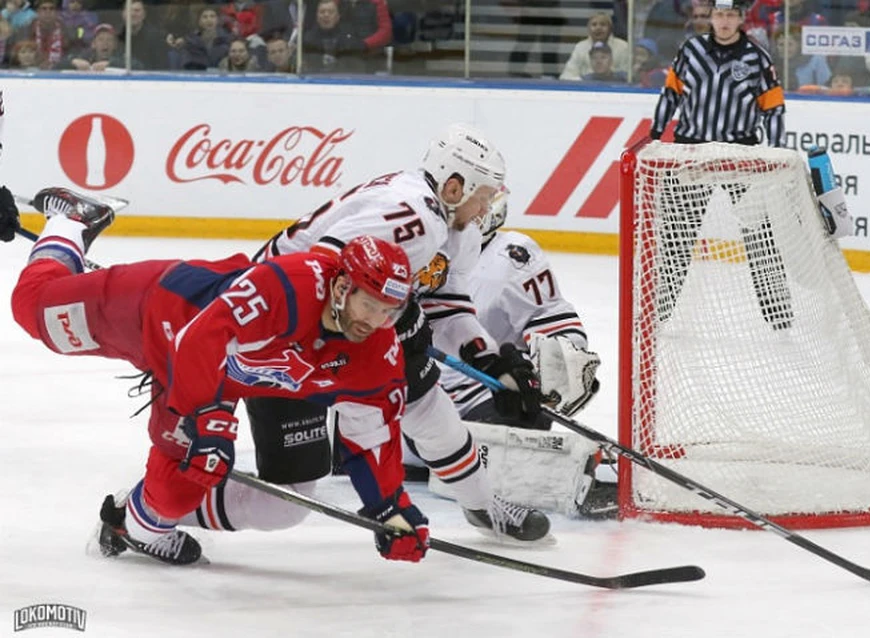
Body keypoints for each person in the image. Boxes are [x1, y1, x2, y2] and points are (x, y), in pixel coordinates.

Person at [6, 187, 429, 566]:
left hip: (209, 376)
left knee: (187, 481)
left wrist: (388, 508)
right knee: (32, 308)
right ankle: (72, 221)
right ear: (341, 289)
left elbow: (372, 431)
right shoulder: (288, 285)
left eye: (389, 311)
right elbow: (201, 338)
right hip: (158, 311)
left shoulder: (376, 351)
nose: (376, 321)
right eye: (370, 305)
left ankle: (136, 526)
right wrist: (208, 417)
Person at [250, 123, 551, 541]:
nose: (485, 210)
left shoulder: (457, 232)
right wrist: (399, 324)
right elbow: (318, 270)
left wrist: (490, 360)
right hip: (276, 327)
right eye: (482, 197)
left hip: (351, 326)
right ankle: (153, 512)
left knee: (429, 409)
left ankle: (483, 507)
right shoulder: (412, 215)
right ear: (454, 188)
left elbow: (446, 304)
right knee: (287, 497)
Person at [431, 187, 614, 518]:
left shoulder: (510, 257)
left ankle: (557, 473)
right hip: (416, 391)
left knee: (523, 414)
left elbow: (551, 317)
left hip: (483, 396)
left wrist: (562, 359)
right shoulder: (422, 247)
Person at [650, 0, 793, 331]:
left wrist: (774, 153)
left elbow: (772, 107)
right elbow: (670, 94)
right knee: (676, 235)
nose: (724, 21)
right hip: (691, 152)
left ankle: (778, 316)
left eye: (731, 15)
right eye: (719, 14)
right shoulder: (690, 50)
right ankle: (659, 309)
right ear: (710, 17)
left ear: (742, 19)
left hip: (739, 153)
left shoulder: (757, 57)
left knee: (760, 234)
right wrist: (656, 136)